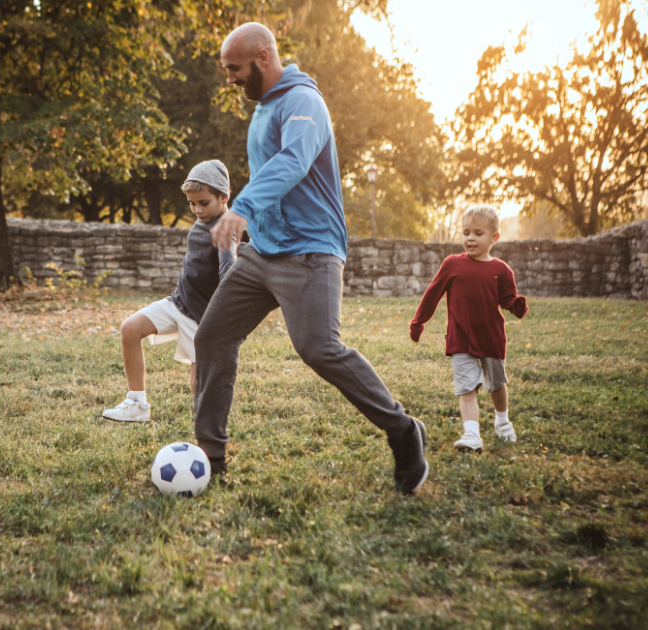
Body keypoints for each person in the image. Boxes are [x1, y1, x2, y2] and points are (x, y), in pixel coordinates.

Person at [193, 23, 429, 495]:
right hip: (262, 254)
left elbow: (292, 162)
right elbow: (271, 175)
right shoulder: (262, 110)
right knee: (212, 335)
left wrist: (240, 208)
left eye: (235, 69)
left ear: (263, 57)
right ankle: (210, 457)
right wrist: (248, 225)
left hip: (311, 252)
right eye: (226, 72)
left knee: (319, 348)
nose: (231, 79)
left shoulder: (304, 101)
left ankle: (403, 430)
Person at [102, 160, 237, 423]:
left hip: (202, 318)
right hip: (178, 302)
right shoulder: (204, 219)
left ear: (224, 197)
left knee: (199, 382)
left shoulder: (225, 230)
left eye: (203, 203)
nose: (197, 209)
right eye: (191, 203)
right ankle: (136, 404)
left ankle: (208, 430)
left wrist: (224, 317)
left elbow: (228, 271)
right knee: (130, 328)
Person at [409, 205, 528, 452]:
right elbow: (432, 295)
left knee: (496, 385)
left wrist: (516, 305)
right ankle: (471, 434)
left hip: (491, 338)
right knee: (466, 388)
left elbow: (507, 299)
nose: (470, 238)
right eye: (466, 233)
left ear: (494, 237)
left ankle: (502, 421)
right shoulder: (452, 264)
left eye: (478, 233)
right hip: (460, 338)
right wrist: (418, 322)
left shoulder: (501, 270)